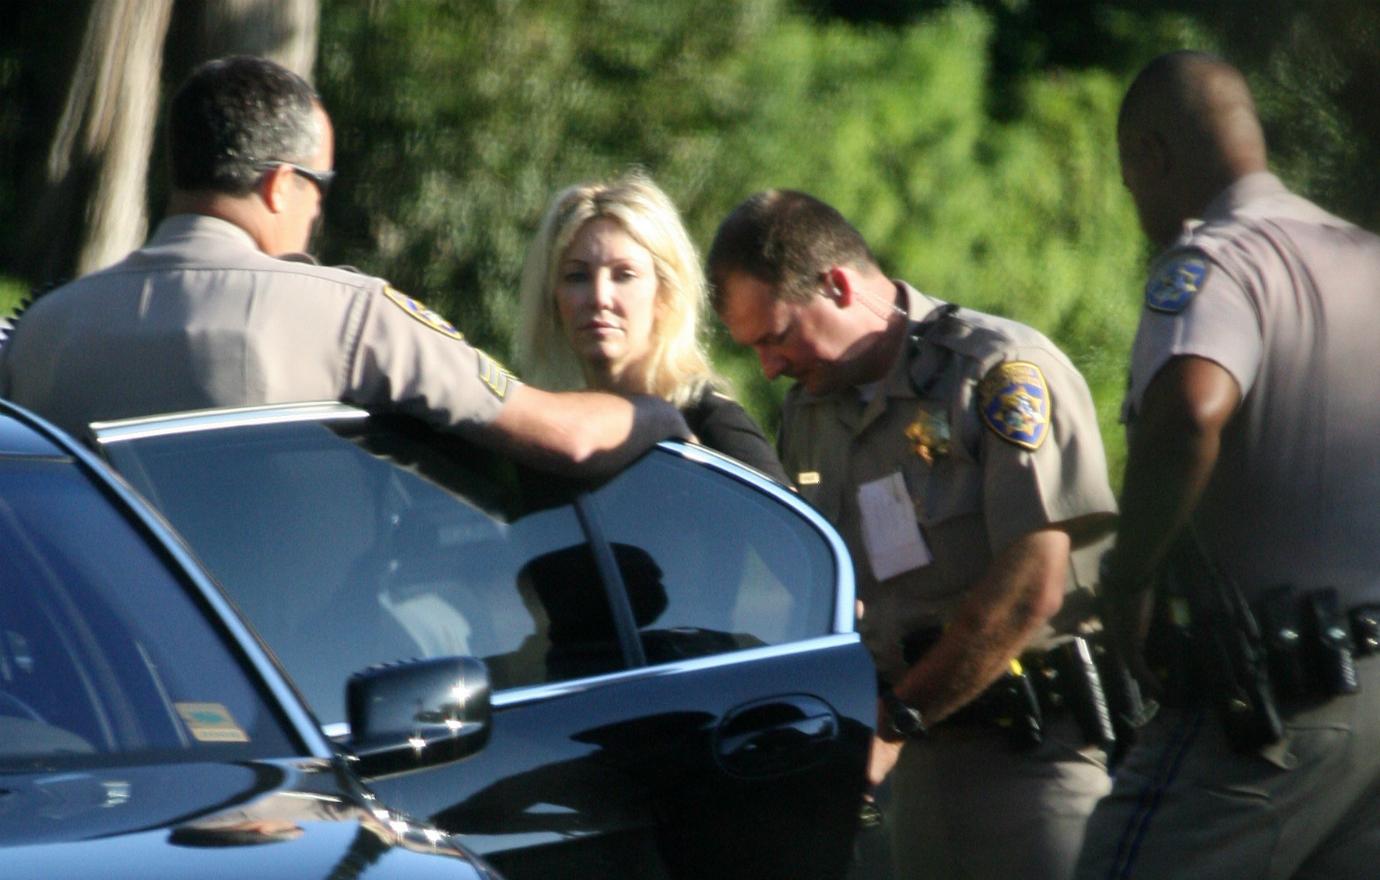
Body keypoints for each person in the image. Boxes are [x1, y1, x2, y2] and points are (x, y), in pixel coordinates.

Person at [0, 56, 685, 476]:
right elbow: (562, 439)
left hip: (88, 695)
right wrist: (660, 414)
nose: (319, 212)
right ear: (279, 185)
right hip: (292, 693)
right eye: (320, 185)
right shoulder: (347, 314)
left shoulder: (44, 328)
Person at [708, 189, 1118, 880]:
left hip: (1037, 757)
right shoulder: (808, 416)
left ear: (836, 285)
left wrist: (892, 721)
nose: (769, 368)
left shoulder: (994, 372)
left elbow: (1031, 588)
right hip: (912, 770)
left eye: (775, 336)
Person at [1078, 51, 1380, 880]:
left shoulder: (1212, 263)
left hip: (1276, 702)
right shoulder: (1366, 256)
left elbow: (1189, 414)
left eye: (1128, 175)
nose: (1135, 198)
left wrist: (1128, 577)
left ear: (1151, 155)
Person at [514, 173, 786, 482]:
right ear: (552, 299)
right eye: (577, 276)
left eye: (624, 275)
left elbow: (789, 529)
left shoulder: (711, 422)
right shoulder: (550, 440)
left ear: (666, 293)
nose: (600, 298)